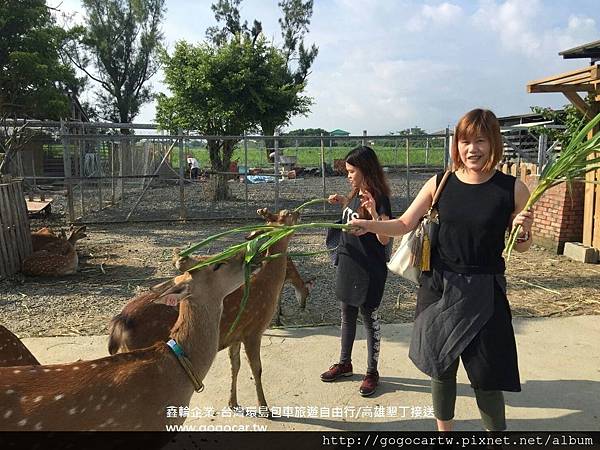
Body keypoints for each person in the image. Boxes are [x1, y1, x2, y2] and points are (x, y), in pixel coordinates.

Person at [350, 109, 534, 431]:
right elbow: (405, 223)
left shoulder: (513, 189)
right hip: (438, 287)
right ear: (456, 144)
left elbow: (520, 247)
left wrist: (525, 231)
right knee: (442, 367)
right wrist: (368, 224)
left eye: (480, 140)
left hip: (485, 293)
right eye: (465, 141)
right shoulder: (441, 182)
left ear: (493, 143)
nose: (472, 149)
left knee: (487, 377)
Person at [320, 145, 392, 397]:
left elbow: (384, 239)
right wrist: (342, 202)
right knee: (346, 314)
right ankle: (345, 363)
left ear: (366, 170)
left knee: (369, 318)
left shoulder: (378, 198)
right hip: (349, 263)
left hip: (369, 269)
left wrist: (373, 213)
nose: (348, 175)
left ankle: (372, 372)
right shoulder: (355, 193)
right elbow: (350, 219)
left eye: (352, 171)